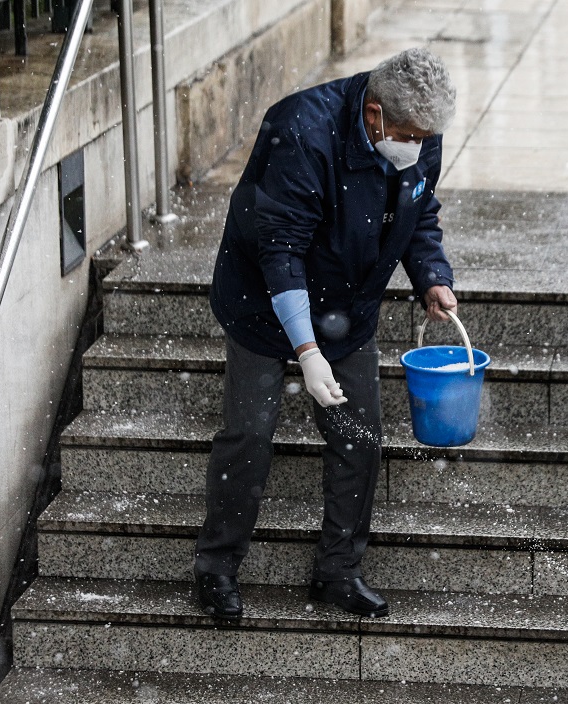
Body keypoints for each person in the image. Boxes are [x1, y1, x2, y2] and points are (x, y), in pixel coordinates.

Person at [194, 48, 459, 620]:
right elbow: (280, 251)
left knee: (359, 438)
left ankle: (338, 570)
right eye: (408, 135)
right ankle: (216, 566)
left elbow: (419, 209)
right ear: (373, 116)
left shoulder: (418, 131)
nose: (417, 146)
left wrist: (432, 278)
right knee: (249, 435)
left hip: (349, 305)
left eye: (425, 137)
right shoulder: (302, 131)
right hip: (263, 301)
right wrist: (307, 352)